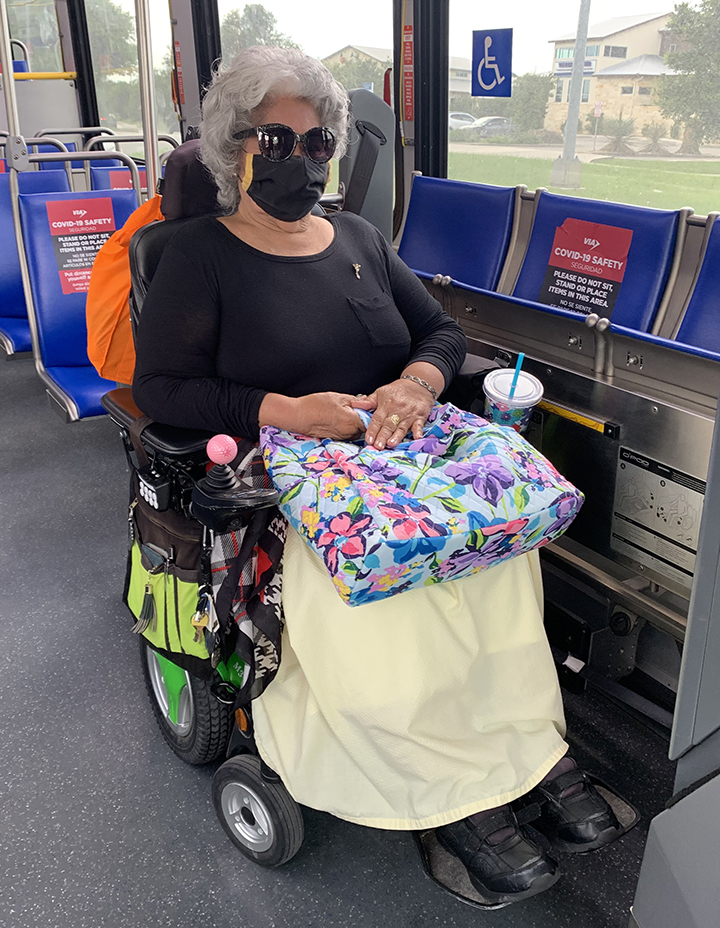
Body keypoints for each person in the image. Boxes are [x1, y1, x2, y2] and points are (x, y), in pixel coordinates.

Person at [132, 45, 621, 905]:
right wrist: (288, 410)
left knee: (500, 560)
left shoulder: (357, 238)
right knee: (392, 591)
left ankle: (523, 752)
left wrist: (416, 384)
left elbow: (440, 333)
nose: (301, 159)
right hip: (291, 476)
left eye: (318, 142)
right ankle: (448, 795)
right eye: (275, 141)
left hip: (404, 459)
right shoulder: (198, 257)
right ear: (231, 147)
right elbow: (163, 388)